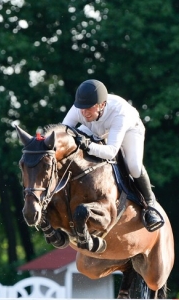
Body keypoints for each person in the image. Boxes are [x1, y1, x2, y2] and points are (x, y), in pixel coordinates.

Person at [62, 80, 165, 232]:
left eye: (88, 108)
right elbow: (64, 130)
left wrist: (87, 146)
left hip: (130, 131)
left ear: (102, 104)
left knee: (134, 166)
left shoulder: (120, 113)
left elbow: (111, 151)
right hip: (97, 128)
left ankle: (150, 205)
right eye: (81, 109)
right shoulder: (81, 107)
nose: (83, 113)